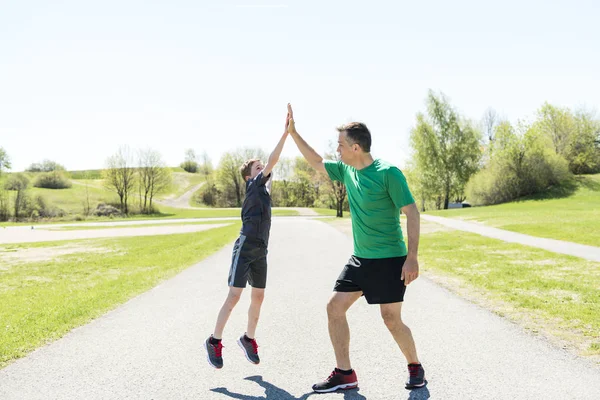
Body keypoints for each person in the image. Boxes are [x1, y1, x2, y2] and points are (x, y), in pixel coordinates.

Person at [286, 104, 426, 392]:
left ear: (356, 148)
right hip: (360, 260)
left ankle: (415, 367)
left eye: (341, 146)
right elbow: (316, 162)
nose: (337, 150)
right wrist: (293, 133)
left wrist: (411, 258)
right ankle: (345, 373)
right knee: (334, 308)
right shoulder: (347, 171)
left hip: (390, 260)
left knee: (391, 319)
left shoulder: (389, 173)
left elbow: (412, 212)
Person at [204, 109, 290, 369]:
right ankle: (214, 341)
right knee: (234, 296)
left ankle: (248, 338)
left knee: (259, 296)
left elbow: (272, 166)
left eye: (262, 167)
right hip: (246, 246)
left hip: (261, 250)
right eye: (258, 167)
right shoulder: (253, 186)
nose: (263, 168)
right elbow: (274, 160)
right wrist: (285, 133)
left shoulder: (264, 190)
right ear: (249, 176)